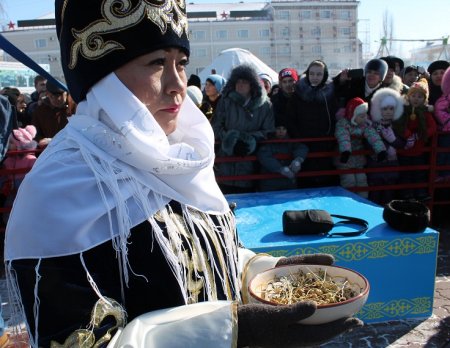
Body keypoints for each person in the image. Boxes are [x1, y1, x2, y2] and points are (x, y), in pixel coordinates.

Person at [4, 1, 362, 347]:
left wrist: (264, 273)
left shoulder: (178, 155)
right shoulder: (58, 192)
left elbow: (199, 252)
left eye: (182, 62)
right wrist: (233, 332)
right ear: (104, 78)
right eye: (157, 62)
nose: (178, 83)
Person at [212, 64, 275, 194]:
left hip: (251, 164)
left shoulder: (265, 105)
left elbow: (268, 131)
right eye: (238, 81)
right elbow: (216, 126)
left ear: (252, 84)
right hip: (225, 164)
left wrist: (249, 141)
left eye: (244, 82)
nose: (240, 85)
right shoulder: (225, 101)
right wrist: (231, 140)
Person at [286, 59, 338, 188]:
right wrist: (299, 138)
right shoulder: (298, 94)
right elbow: (291, 119)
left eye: (319, 74)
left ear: (324, 75)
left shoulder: (330, 94)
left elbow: (334, 116)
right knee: (306, 180)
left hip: (325, 143)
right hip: (304, 143)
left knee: (324, 179)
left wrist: (330, 137)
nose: (315, 77)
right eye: (312, 74)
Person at [393, 78, 437, 200]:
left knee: (419, 172)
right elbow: (399, 125)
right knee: (405, 173)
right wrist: (408, 135)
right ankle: (407, 194)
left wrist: (420, 135)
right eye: (413, 95)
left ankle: (420, 192)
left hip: (418, 149)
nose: (416, 99)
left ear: (424, 99)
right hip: (405, 149)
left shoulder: (425, 113)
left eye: (420, 96)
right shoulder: (403, 111)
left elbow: (433, 127)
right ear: (408, 96)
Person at [334, 97, 386, 198]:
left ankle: (363, 202)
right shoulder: (343, 124)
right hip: (345, 161)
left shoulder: (364, 125)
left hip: (359, 160)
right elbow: (343, 137)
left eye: (365, 115)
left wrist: (381, 150)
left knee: (362, 180)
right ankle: (348, 203)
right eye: (361, 116)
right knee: (349, 181)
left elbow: (373, 136)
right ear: (353, 115)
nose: (364, 117)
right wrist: (345, 151)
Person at [367, 88, 405, 205]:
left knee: (389, 196)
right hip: (376, 166)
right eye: (385, 109)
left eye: (391, 109)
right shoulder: (372, 126)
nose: (388, 112)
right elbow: (369, 144)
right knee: (374, 196)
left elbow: (402, 144)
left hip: (392, 166)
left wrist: (393, 140)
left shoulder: (397, 126)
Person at [256, 123, 308, 191]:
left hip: (289, 183)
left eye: (284, 129)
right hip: (270, 184)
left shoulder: (291, 142)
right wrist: (280, 169)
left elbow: (302, 148)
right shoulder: (267, 142)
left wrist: (298, 160)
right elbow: (264, 156)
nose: (281, 131)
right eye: (278, 129)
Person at [31, 79, 75, 147]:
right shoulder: (41, 111)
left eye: (59, 95)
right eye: (52, 96)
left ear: (66, 93)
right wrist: (40, 141)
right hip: (49, 151)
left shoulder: (74, 108)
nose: (56, 99)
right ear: (47, 94)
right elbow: (35, 134)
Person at [433, 66, 450, 181]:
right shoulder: (445, 98)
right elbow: (439, 110)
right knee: (442, 153)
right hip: (445, 131)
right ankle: (438, 173)